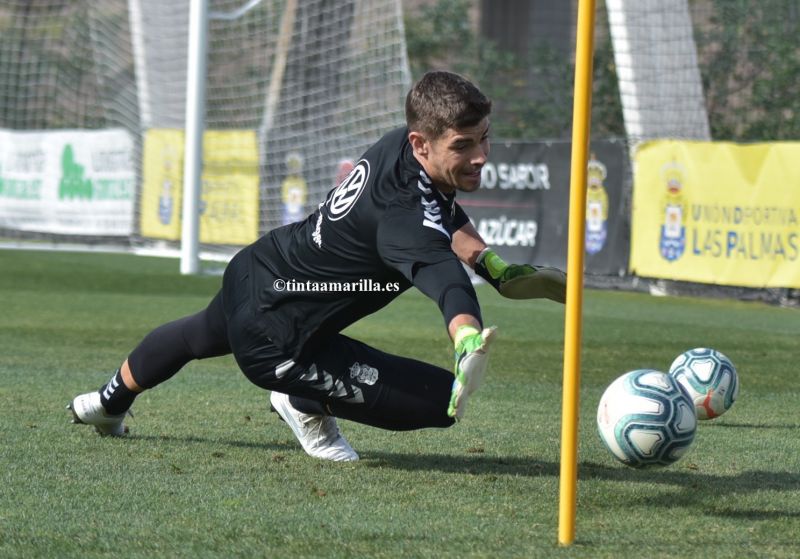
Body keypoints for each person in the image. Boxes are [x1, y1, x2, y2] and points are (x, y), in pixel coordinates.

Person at [68, 71, 566, 462]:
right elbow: (443, 279)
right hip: (277, 338)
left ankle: (104, 403)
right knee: (438, 403)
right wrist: (467, 338)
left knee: (195, 335)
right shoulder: (403, 221)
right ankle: (300, 401)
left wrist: (492, 263)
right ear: (422, 143)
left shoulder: (402, 145)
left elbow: (442, 215)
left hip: (258, 266)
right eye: (464, 145)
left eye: (484, 138)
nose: (481, 156)